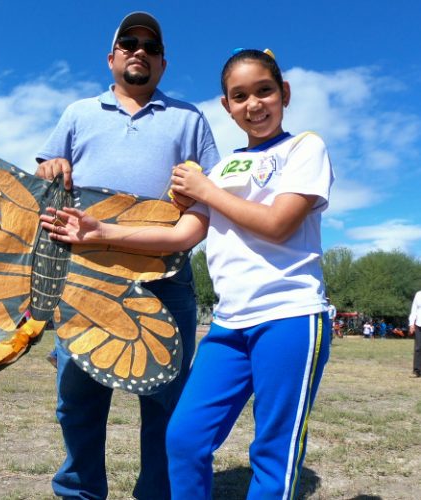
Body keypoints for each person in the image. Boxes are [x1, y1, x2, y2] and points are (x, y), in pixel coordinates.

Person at [42, 48, 333, 499]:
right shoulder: (222, 168)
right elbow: (180, 237)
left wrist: (207, 191)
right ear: (227, 106)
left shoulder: (304, 147)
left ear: (285, 93)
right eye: (239, 96)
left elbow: (279, 225)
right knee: (184, 439)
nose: (253, 104)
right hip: (229, 322)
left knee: (274, 451)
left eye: (264, 91)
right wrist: (100, 230)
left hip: (290, 314)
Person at [34, 11, 220, 499]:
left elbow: (207, 198)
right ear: (111, 57)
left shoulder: (190, 118)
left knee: (165, 404)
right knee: (78, 401)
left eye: (150, 46)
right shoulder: (77, 113)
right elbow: (47, 190)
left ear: (163, 63)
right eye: (129, 42)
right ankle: (79, 492)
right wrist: (52, 166)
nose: (140, 49)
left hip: (166, 278)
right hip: (85, 280)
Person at [409, 290, 421, 377]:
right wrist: (411, 324)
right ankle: (417, 370)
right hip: (419, 324)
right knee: (418, 347)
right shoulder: (418, 294)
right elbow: (414, 310)